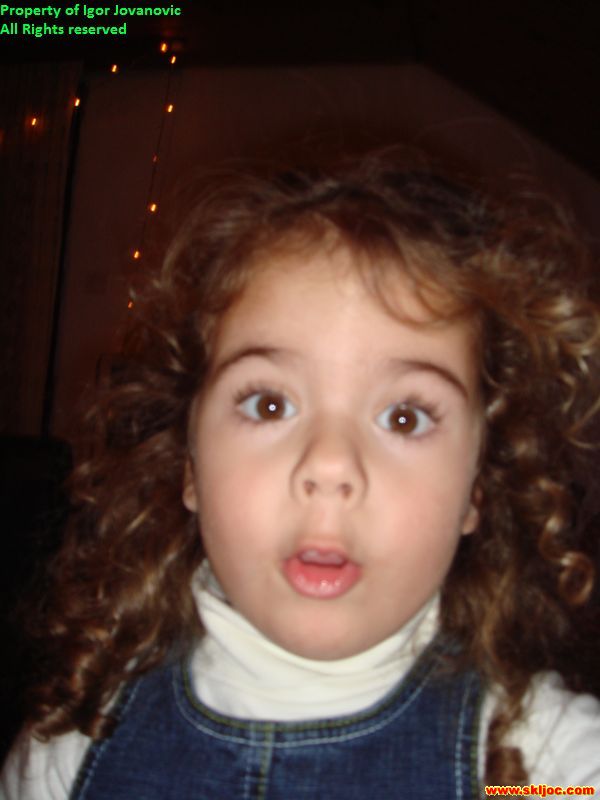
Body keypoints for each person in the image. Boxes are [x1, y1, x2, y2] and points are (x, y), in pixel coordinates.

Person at [2, 152, 600, 799]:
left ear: (476, 487)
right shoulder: (68, 754)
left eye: (404, 417)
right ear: (190, 464)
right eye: (269, 405)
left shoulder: (539, 772)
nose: (330, 465)